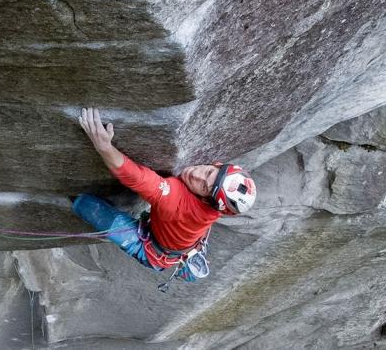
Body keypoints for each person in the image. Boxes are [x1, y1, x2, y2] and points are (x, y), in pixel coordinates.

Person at [72, 107, 256, 284]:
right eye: (208, 172)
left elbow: (138, 178)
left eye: (204, 187)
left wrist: (104, 147)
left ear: (207, 200)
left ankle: (74, 200)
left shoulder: (176, 202)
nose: (196, 174)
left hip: (153, 252)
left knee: (85, 204)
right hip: (183, 241)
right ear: (217, 164)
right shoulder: (214, 207)